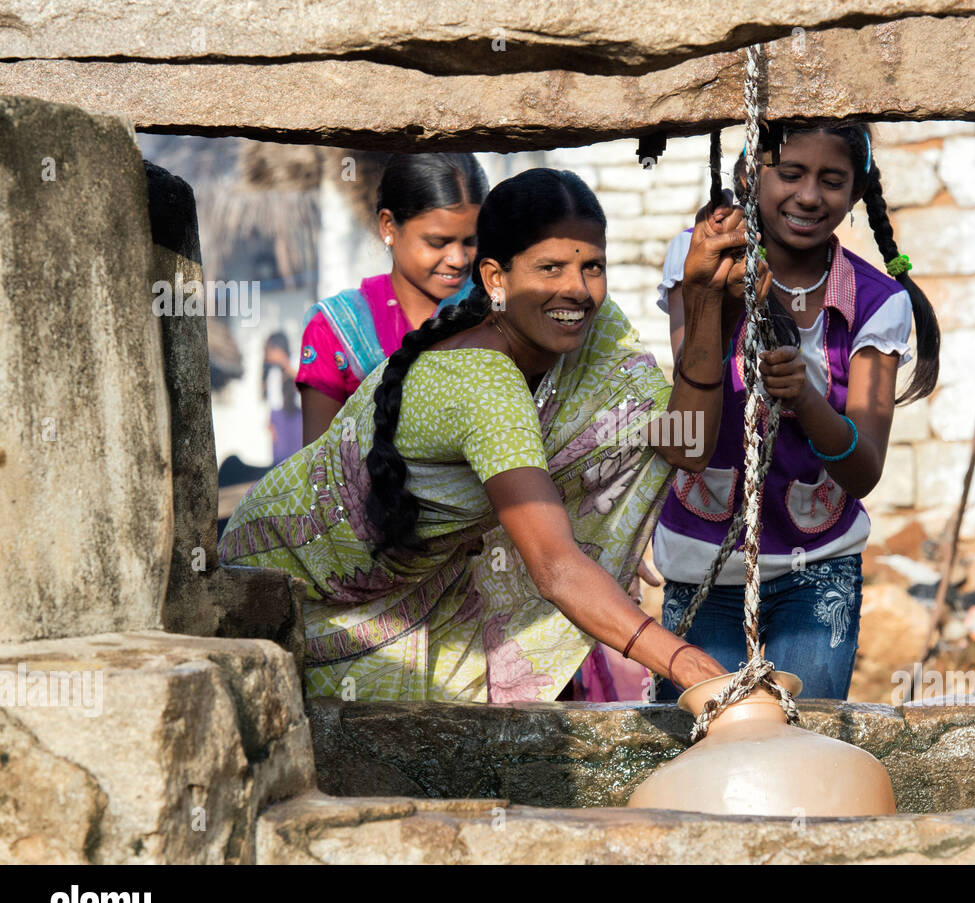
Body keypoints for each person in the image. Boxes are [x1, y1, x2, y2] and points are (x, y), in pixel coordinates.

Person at [218, 167, 777, 703]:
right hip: (292, 587)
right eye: (549, 268)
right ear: (494, 279)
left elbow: (686, 444)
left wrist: (705, 301)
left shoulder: (591, 333)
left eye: (592, 268)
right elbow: (556, 566)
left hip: (414, 589)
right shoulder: (481, 381)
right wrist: (694, 668)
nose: (577, 290)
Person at [654, 121, 941, 701]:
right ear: (748, 174)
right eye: (790, 173)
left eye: (832, 180)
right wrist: (713, 301)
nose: (809, 195)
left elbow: (863, 470)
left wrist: (807, 398)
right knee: (701, 748)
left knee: (800, 740)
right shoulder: (700, 260)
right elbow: (686, 445)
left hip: (820, 571)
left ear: (856, 193)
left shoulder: (877, 302)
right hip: (702, 566)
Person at [297, 153, 485, 445]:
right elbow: (316, 467)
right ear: (388, 226)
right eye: (438, 242)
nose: (458, 259)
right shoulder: (335, 330)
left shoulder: (491, 312)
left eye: (470, 241)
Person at [264, 331, 302, 465]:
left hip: (298, 418)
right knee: (280, 462)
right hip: (280, 420)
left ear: (279, 348)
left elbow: (305, 384)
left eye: (270, 350)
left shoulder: (297, 361)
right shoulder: (274, 372)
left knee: (298, 459)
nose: (267, 355)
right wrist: (270, 423)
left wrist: (286, 366)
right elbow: (272, 402)